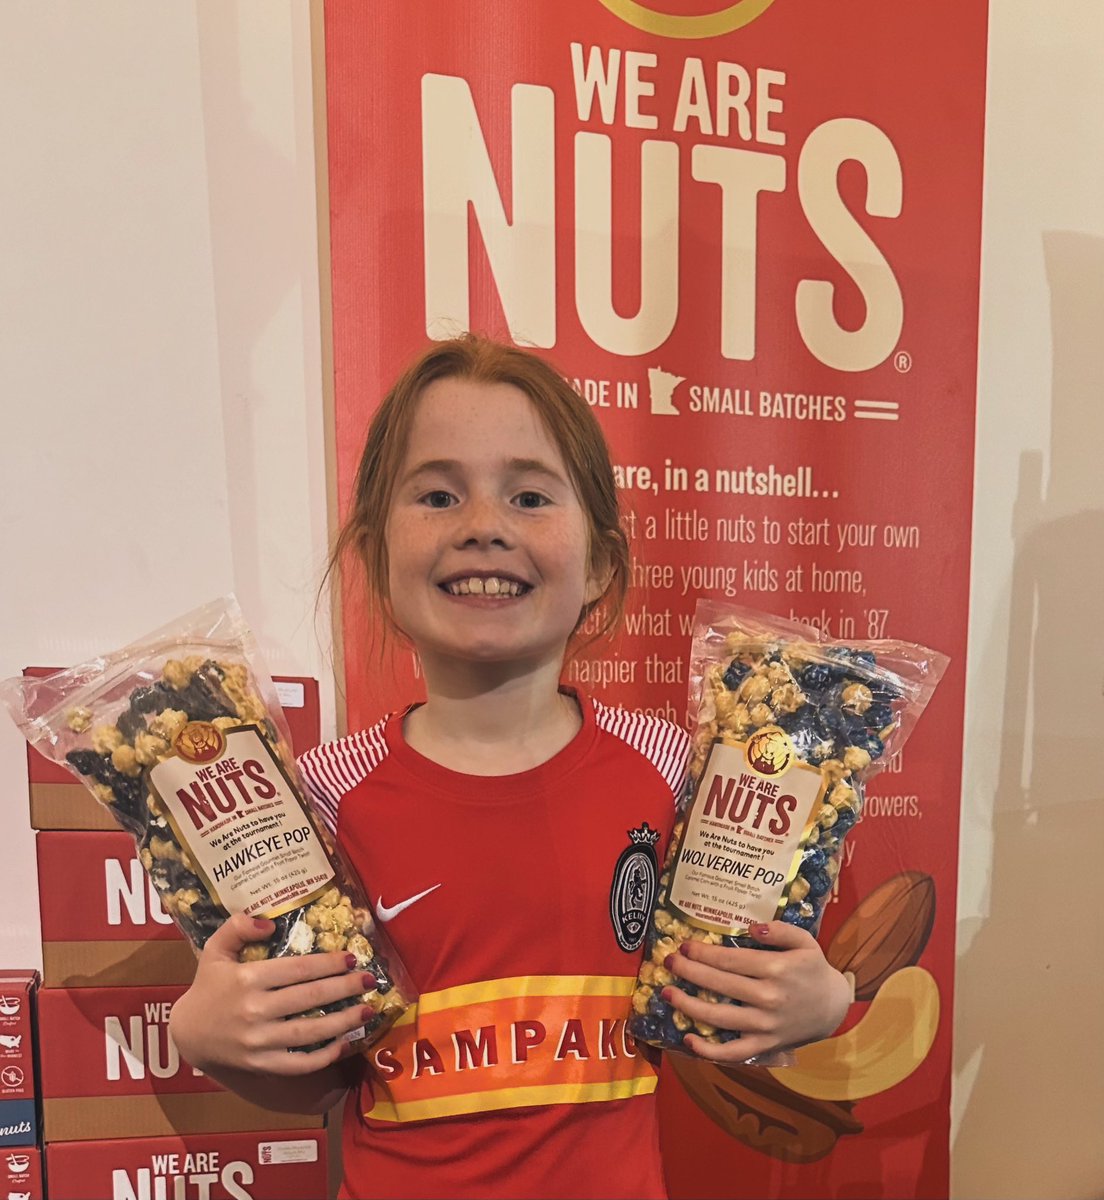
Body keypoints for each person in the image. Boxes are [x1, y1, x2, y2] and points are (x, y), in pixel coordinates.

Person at [169, 334, 852, 1200]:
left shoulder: (679, 772)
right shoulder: (318, 802)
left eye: (529, 495)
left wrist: (822, 1002)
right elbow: (318, 1080)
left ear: (600, 560)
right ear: (377, 556)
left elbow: (742, 1007)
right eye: (439, 494)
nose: (483, 526)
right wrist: (211, 1033)